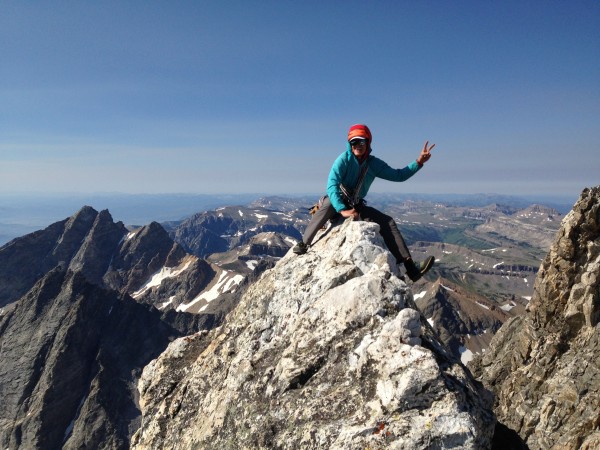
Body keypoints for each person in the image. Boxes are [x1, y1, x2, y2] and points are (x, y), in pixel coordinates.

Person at [293, 123, 435, 282]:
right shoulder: (343, 160)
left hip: (355, 204)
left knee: (387, 222)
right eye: (354, 142)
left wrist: (419, 162)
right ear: (349, 144)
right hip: (337, 202)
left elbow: (399, 175)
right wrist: (341, 209)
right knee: (327, 205)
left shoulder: (373, 164)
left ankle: (411, 268)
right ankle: (304, 243)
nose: (358, 145)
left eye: (361, 142)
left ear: (368, 143)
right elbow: (332, 185)